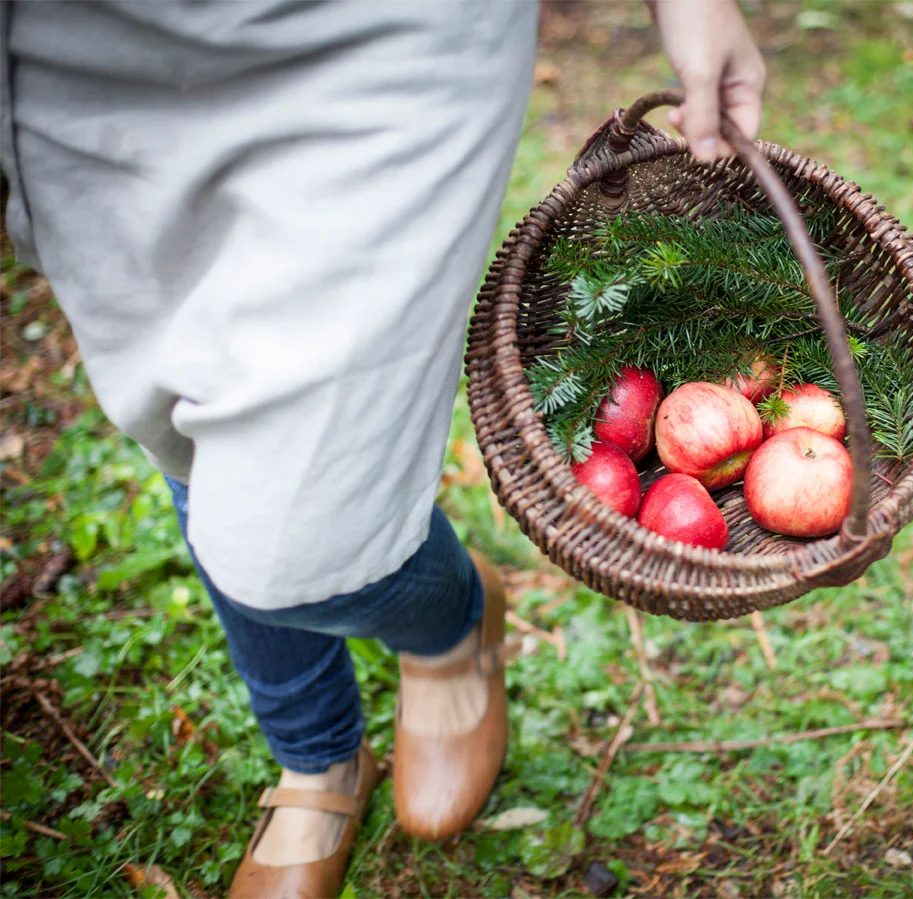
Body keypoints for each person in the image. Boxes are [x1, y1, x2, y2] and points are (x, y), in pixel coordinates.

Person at [0, 1, 765, 895]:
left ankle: (447, 621)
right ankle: (317, 755)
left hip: (370, 37)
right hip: (85, 45)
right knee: (179, 409)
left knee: (292, 537)